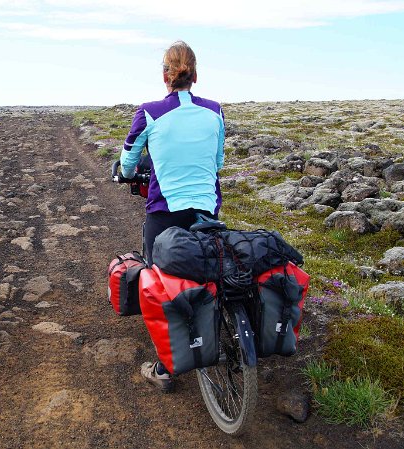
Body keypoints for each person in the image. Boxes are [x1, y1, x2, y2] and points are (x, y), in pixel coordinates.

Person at [119, 40, 225, 392]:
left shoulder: (149, 112)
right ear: (196, 75)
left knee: (160, 281)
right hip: (206, 208)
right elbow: (218, 161)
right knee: (209, 270)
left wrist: (128, 173)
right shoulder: (215, 111)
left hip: (166, 212)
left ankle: (165, 368)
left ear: (165, 75)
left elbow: (128, 161)